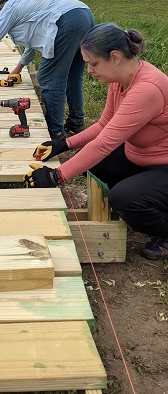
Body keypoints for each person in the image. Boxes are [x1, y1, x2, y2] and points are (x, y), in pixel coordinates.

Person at [26, 22, 168, 261]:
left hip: (163, 166)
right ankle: (143, 202)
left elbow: (104, 144)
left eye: (93, 63)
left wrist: (56, 176)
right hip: (142, 157)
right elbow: (104, 125)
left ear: (114, 57)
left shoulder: (147, 88)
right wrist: (64, 144)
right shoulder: (119, 81)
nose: (89, 70)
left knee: (124, 197)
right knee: (94, 165)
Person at [0, 0, 95, 139]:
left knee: (48, 78)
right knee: (73, 76)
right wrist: (18, 68)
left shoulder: (9, 8)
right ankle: (76, 122)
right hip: (85, 15)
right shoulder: (25, 6)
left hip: (67, 20)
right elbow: (32, 44)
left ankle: (55, 132)